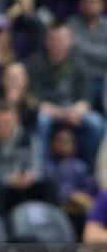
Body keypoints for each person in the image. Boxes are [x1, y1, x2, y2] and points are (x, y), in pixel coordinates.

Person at [26, 21, 105, 169]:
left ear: (70, 41)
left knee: (97, 123)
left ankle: (91, 170)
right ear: (46, 41)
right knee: (41, 120)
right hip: (49, 111)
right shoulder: (34, 62)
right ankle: (40, 170)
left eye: (62, 39)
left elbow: (86, 99)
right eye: (53, 39)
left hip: (73, 111)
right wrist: (63, 114)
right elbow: (33, 100)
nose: (57, 43)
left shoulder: (80, 62)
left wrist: (75, 111)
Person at [0, 100, 55, 215]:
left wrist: (30, 175)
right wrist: (7, 180)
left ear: (16, 121)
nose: (5, 127)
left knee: (48, 185)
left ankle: (51, 221)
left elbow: (36, 167)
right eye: (1, 123)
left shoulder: (29, 139)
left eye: (8, 123)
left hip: (25, 185)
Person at [68, 0, 107, 109]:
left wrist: (81, 46)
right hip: (77, 80)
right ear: (79, 4)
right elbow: (72, 52)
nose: (88, 4)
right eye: (85, 0)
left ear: (102, 4)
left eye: (93, 1)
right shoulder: (71, 24)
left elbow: (78, 48)